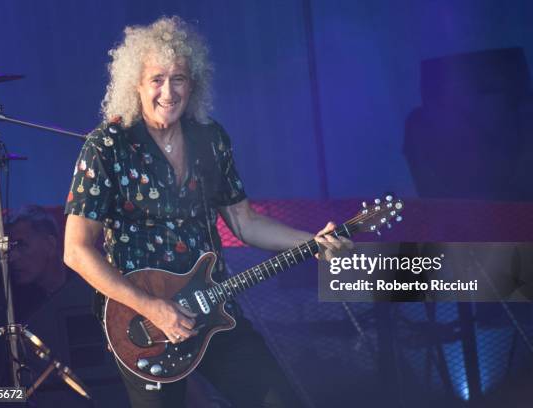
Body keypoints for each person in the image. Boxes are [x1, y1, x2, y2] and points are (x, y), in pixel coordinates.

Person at [63, 16, 352, 407]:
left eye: (178, 78)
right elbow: (76, 251)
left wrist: (312, 242)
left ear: (193, 83)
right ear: (136, 83)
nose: (168, 91)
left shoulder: (211, 139)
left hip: (214, 308)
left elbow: (245, 222)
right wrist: (152, 308)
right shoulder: (107, 146)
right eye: (157, 79)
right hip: (143, 325)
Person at [8, 205, 70, 321]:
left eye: (21, 244)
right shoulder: (14, 306)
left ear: (50, 245)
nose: (12, 257)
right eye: (10, 247)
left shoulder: (86, 285)